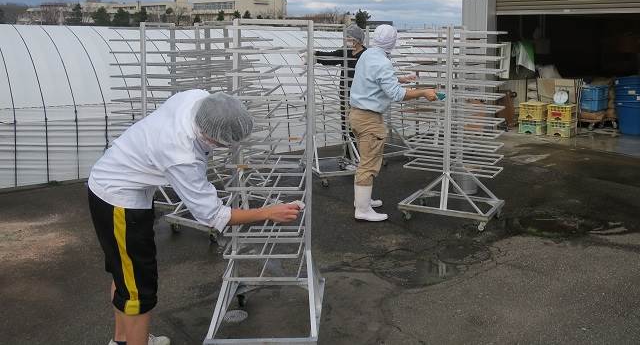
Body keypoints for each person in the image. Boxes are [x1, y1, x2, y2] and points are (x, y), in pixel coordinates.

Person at [87, 91, 302, 345]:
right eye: (224, 144)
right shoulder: (181, 155)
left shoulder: (199, 100)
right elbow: (213, 216)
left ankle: (124, 340)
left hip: (116, 183)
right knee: (138, 290)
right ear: (209, 137)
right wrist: (268, 212)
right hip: (118, 200)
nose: (226, 148)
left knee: (125, 275)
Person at [349, 24, 438, 222]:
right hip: (368, 118)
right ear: (393, 42)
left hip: (357, 114)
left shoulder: (367, 54)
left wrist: (400, 79)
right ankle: (362, 210)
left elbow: (377, 79)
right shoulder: (382, 62)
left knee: (365, 159)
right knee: (369, 163)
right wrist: (423, 92)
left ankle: (362, 201)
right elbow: (396, 94)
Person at [314, 24, 366, 164]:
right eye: (346, 38)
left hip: (361, 98)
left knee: (358, 126)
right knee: (346, 125)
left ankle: (361, 157)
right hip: (345, 96)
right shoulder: (346, 52)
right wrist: (315, 55)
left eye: (349, 38)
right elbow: (331, 56)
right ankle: (350, 156)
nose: (347, 40)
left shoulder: (366, 55)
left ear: (357, 39)